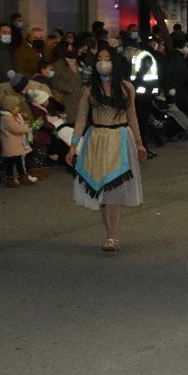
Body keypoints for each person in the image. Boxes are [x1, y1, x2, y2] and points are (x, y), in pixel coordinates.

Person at [69, 46, 146, 252]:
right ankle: (109, 234)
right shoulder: (89, 91)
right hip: (96, 139)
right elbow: (81, 118)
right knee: (101, 189)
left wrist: (139, 143)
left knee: (113, 190)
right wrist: (73, 145)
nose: (103, 62)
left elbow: (132, 117)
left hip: (120, 139)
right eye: (100, 58)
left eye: (107, 58)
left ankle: (112, 236)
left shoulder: (126, 88)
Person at [0, 93, 33, 187]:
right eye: (16, 106)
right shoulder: (6, 118)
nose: (18, 108)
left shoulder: (13, 116)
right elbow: (17, 129)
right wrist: (29, 127)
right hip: (11, 145)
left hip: (16, 145)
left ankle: (22, 177)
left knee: (18, 161)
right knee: (11, 163)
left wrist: (25, 120)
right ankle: (11, 178)